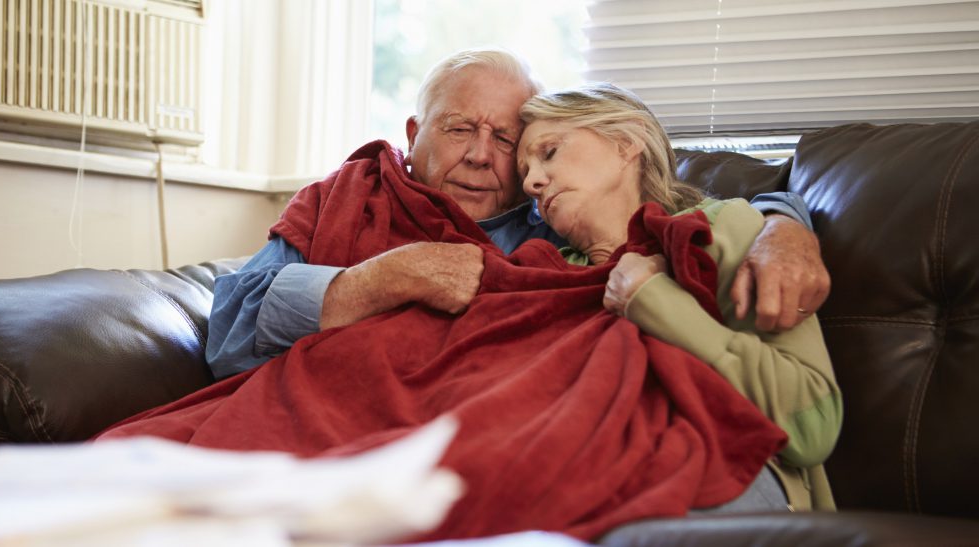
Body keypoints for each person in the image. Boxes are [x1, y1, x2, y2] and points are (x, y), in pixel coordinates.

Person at [205, 48, 830, 380]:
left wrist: (786, 227)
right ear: (414, 133)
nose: (482, 156)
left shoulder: (552, 216)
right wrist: (386, 278)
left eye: (507, 140)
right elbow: (230, 331)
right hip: (319, 410)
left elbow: (676, 203)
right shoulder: (344, 196)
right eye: (458, 130)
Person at [515, 83, 842, 522]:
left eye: (549, 152)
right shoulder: (543, 273)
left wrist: (654, 302)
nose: (531, 181)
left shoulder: (727, 228)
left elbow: (812, 425)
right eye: (525, 170)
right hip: (585, 474)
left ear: (626, 142)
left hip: (728, 473)